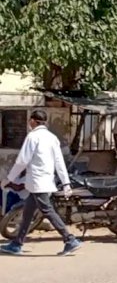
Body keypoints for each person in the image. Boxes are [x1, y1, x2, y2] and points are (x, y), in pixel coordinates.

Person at [0, 110, 82, 256]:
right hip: (43, 181)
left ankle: (69, 239)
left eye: (30, 120)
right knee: (27, 213)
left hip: (38, 182)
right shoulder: (52, 138)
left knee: (47, 210)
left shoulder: (33, 137)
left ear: (33, 121)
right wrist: (66, 183)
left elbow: (22, 161)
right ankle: (17, 243)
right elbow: (59, 162)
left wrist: (10, 179)